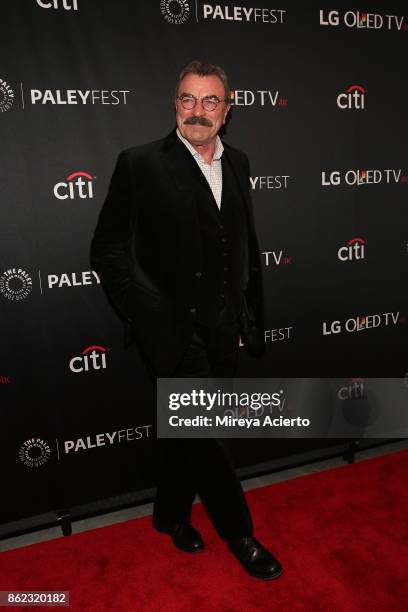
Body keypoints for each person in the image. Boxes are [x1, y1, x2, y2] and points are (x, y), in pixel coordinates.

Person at [90, 60, 282, 580]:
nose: (198, 111)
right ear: (175, 103)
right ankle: (240, 533)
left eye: (210, 101)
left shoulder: (238, 162)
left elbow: (246, 246)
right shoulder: (140, 162)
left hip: (224, 327)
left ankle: (169, 515)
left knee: (188, 432)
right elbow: (107, 248)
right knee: (209, 432)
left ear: (228, 108)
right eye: (187, 99)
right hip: (170, 333)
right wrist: (141, 309)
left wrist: (249, 313)